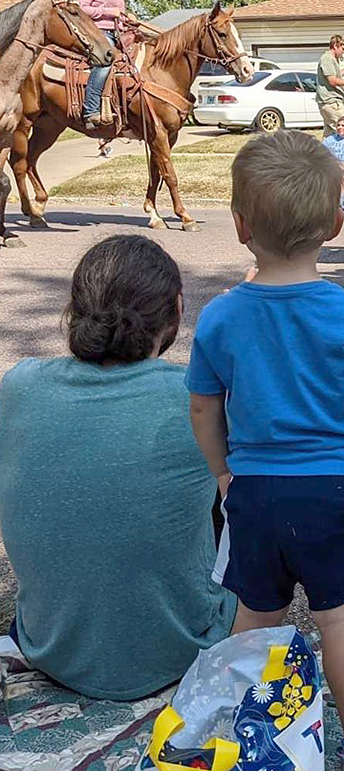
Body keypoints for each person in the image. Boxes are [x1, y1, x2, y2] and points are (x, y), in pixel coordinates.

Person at [186, 130, 344, 771]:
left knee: (255, 622)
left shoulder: (218, 318)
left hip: (255, 491)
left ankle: (235, 733)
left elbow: (204, 407)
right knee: (339, 621)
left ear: (239, 226)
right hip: (332, 488)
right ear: (334, 224)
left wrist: (222, 473)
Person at [0, 235, 236, 700]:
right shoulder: (196, 399)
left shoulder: (19, 384)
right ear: (176, 310)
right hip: (182, 651)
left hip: (51, 647)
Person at [77, 0, 135, 129]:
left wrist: (129, 19)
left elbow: (119, 14)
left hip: (117, 32)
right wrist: (109, 11)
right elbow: (82, 9)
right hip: (97, 32)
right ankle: (91, 110)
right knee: (104, 62)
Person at [316, 35, 344, 138]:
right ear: (335, 46)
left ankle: (324, 153)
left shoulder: (332, 59)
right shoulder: (327, 58)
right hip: (331, 103)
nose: (343, 52)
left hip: (329, 103)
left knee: (330, 135)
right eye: (342, 49)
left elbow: (335, 75)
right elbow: (332, 81)